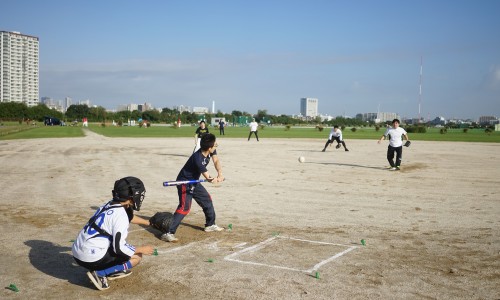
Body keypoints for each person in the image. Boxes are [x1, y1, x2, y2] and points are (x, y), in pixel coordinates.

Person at [72, 177, 154, 291]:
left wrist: (149, 222)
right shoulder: (120, 216)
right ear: (131, 196)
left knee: (113, 242)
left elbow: (129, 217)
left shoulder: (110, 204)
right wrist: (141, 249)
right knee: (136, 257)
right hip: (90, 258)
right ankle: (101, 273)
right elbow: (119, 248)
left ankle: (110, 269)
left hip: (78, 253)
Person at [162, 133, 225, 242]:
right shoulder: (197, 158)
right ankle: (168, 232)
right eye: (215, 145)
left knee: (207, 200)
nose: (216, 146)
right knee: (184, 208)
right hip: (184, 182)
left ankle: (210, 225)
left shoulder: (210, 150)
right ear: (209, 148)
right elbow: (208, 177)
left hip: (194, 181)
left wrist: (220, 173)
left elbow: (216, 161)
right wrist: (213, 179)